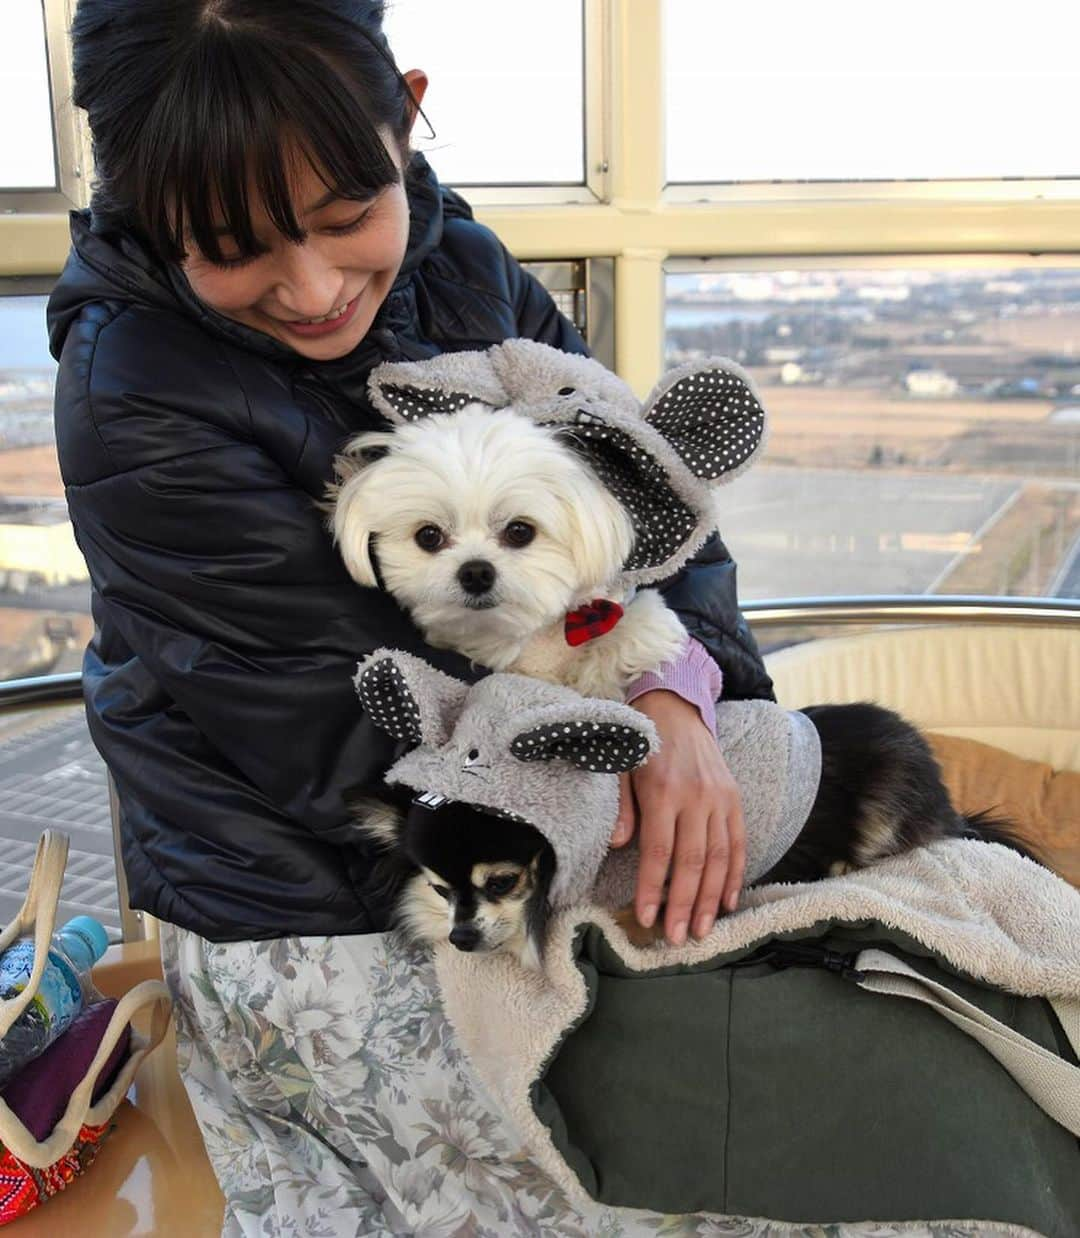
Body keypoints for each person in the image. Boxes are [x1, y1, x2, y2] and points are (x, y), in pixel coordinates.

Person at [50, 0, 773, 956]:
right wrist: (636, 722)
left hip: (565, 828)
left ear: (407, 114)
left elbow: (650, 504)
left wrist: (679, 691)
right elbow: (359, 738)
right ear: (148, 207)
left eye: (349, 217)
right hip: (317, 908)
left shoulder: (468, 271)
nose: (313, 292)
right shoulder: (135, 390)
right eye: (233, 249)